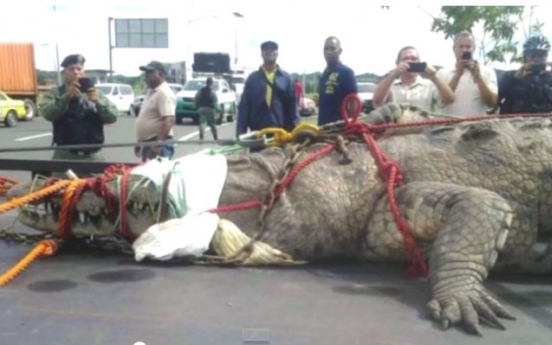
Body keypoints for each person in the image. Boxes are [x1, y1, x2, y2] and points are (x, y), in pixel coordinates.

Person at [37, 54, 118, 177]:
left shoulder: (96, 93)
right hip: (65, 156)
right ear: (64, 72)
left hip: (93, 157)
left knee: (97, 193)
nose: (76, 72)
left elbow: (112, 117)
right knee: (60, 193)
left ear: (83, 71)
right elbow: (48, 114)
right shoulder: (55, 93)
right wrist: (66, 97)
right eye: (71, 69)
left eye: (79, 69)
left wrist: (98, 102)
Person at [236, 40, 299, 151]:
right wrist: (240, 135)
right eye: (266, 49)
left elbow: (293, 107)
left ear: (277, 53)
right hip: (257, 137)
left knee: (280, 167)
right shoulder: (252, 79)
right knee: (256, 167)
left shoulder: (286, 78)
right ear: (261, 54)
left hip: (279, 136)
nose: (269, 52)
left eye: (272, 49)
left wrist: (296, 134)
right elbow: (244, 108)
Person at [372, 46, 455, 113]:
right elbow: (376, 102)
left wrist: (434, 77)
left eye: (414, 59)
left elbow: (449, 99)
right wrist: (393, 74)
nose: (409, 61)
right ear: (397, 63)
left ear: (419, 62)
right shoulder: (390, 85)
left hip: (423, 132)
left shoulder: (429, 85)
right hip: (396, 132)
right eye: (405, 59)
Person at [436, 31, 498, 116]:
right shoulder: (443, 73)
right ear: (454, 49)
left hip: (477, 127)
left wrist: (478, 77)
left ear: (474, 49)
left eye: (468, 47)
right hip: (450, 127)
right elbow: (442, 102)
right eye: (461, 46)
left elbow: (492, 103)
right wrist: (458, 74)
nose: (464, 50)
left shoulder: (487, 71)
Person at [498, 34, 552, 115]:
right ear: (525, 56)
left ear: (546, 56)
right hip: (516, 124)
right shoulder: (510, 76)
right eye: (532, 55)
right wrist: (513, 79)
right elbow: (493, 101)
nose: (536, 58)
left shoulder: (549, 78)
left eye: (541, 54)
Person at [134, 61, 177, 162]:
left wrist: (158, 144)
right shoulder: (152, 93)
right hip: (149, 144)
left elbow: (169, 120)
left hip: (158, 145)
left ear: (161, 74)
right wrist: (140, 141)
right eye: (146, 73)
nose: (146, 76)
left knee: (155, 176)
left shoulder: (163, 93)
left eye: (150, 73)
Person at [317, 36, 358, 126]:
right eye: (326, 49)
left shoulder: (346, 73)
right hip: (323, 128)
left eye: (332, 49)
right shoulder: (323, 76)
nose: (328, 52)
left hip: (340, 129)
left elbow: (353, 102)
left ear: (340, 51)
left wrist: (349, 125)